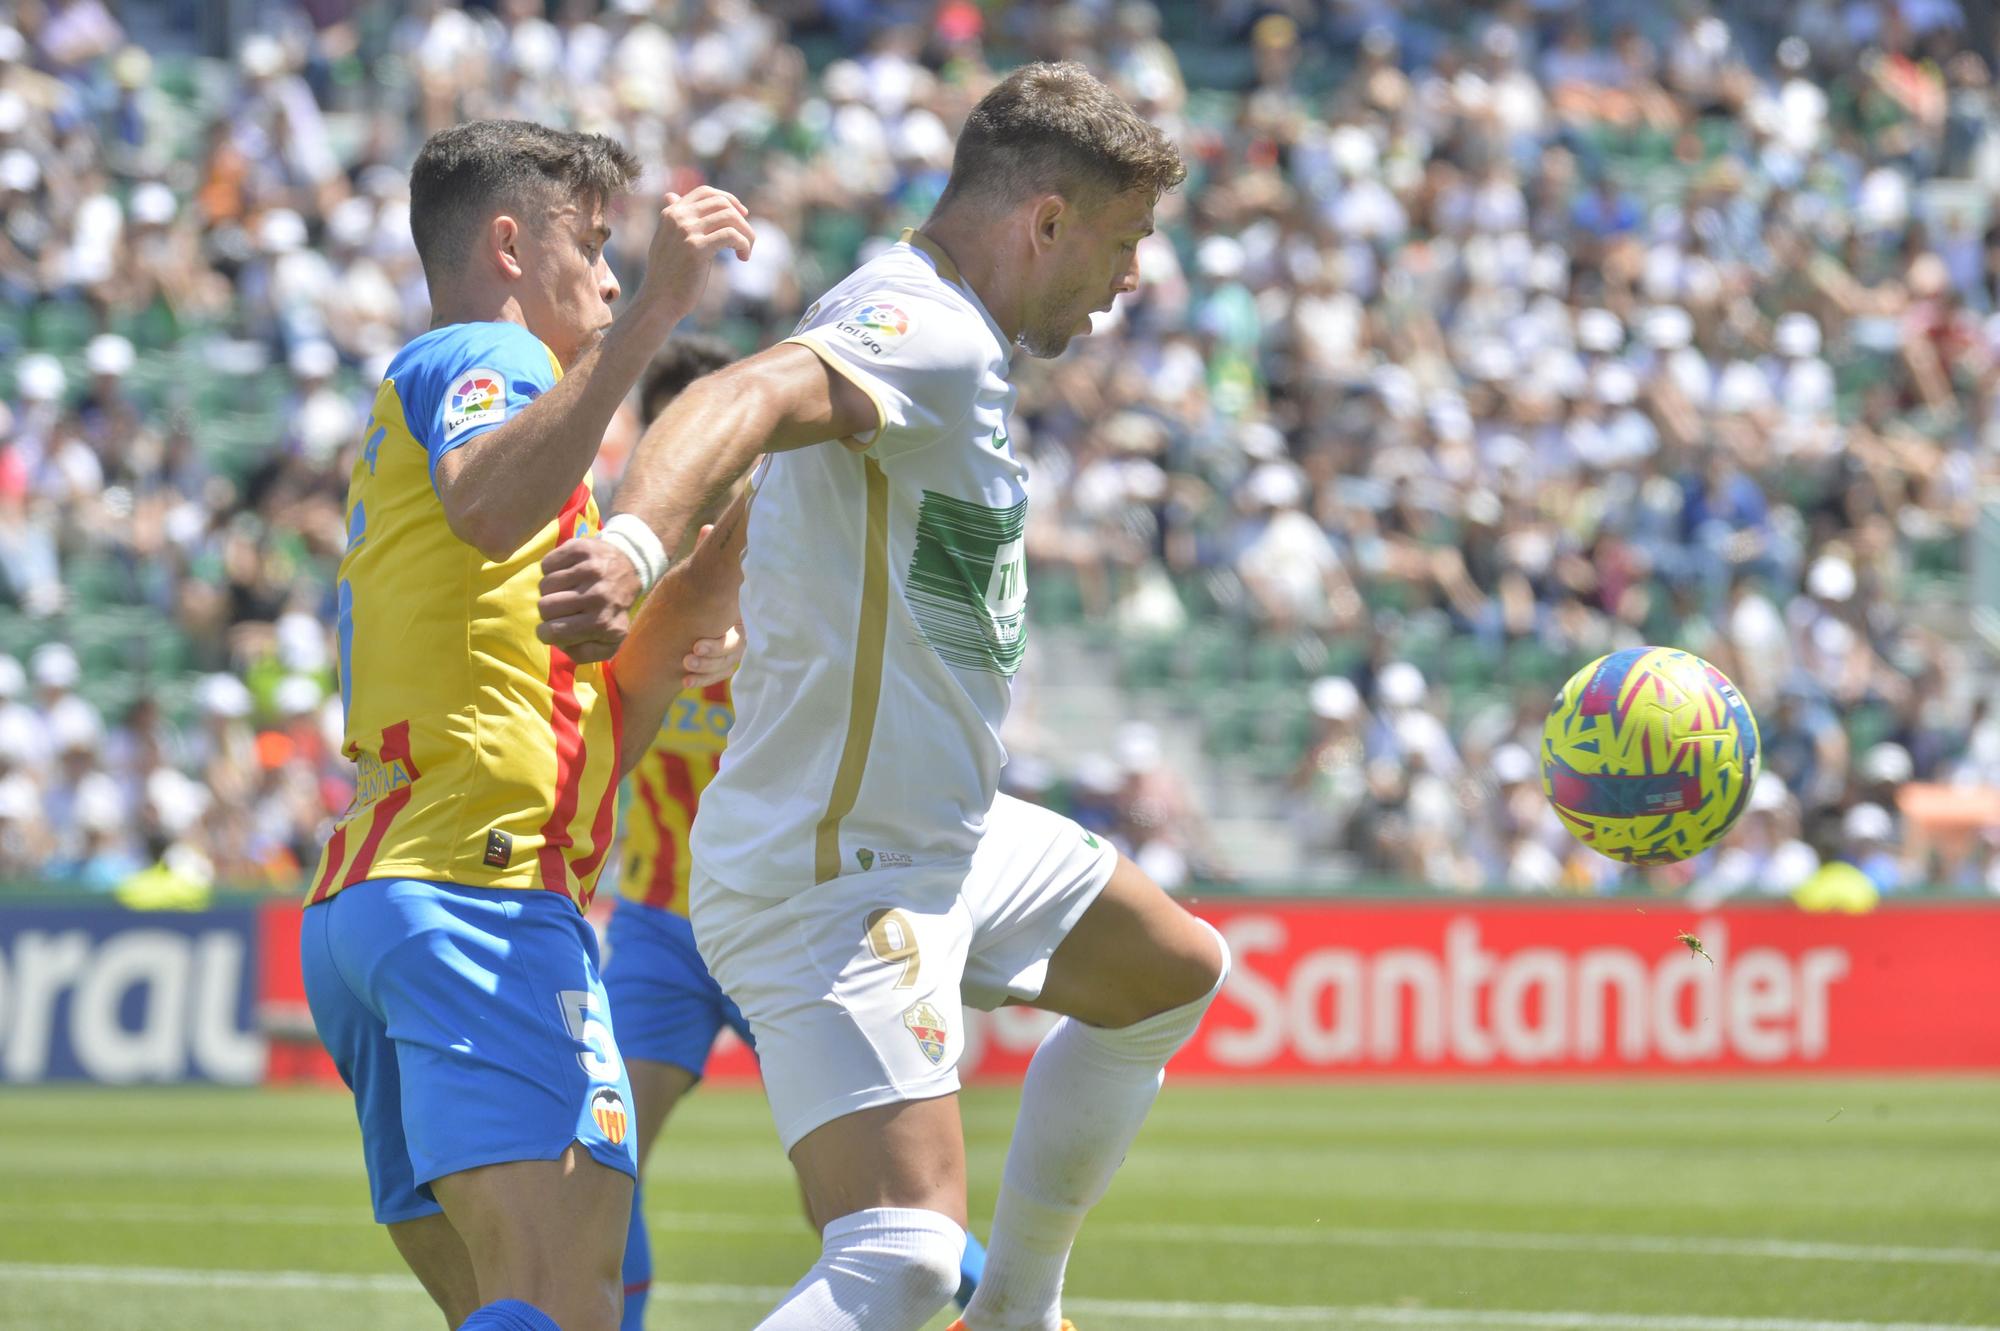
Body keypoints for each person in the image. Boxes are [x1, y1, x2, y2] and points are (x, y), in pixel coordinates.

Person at [541, 63, 1229, 1331]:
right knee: (902, 1256)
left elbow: (734, 551)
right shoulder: (925, 327)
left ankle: (1017, 1311)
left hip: (939, 832)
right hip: (833, 861)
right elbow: (730, 395)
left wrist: (696, 612)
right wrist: (629, 546)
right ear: (1046, 222)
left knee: (1173, 968)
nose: (1131, 275)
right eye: (1124, 240)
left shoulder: (925, 335)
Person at [300, 119, 751, 1331]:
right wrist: (657, 318)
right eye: (595, 247)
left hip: (395, 894)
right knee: (565, 1301)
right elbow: (491, 502)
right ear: (510, 242)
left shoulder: (510, 426)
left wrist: (738, 515)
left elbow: (597, 709)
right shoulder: (486, 355)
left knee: (516, 1306)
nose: (609, 277)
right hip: (478, 897)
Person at [603, 337, 988, 1327]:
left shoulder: (801, 544)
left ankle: (1013, 1305)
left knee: (860, 1195)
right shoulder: (622, 559)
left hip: (786, 906)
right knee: (599, 1156)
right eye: (679, 426)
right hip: (659, 922)